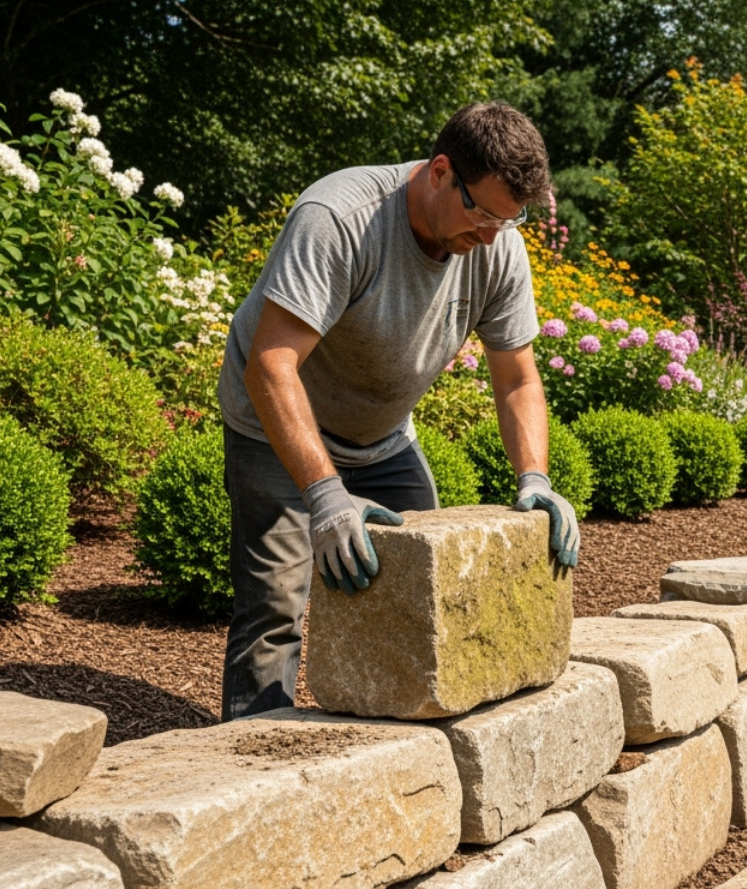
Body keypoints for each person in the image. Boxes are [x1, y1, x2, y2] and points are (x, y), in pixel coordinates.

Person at [216, 102, 579, 722]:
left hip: (382, 439)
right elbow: (271, 366)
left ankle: (396, 755)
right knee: (276, 606)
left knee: (421, 592)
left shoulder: (497, 244)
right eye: (483, 213)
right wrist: (325, 497)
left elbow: (517, 378)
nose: (492, 235)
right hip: (275, 423)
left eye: (509, 221)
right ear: (440, 172)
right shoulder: (340, 219)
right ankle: (251, 768)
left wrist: (535, 479)